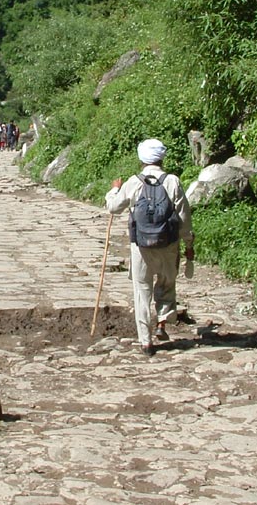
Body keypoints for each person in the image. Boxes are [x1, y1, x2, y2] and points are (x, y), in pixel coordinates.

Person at [105, 138, 194, 356]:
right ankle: (162, 322)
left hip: (141, 246)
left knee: (141, 290)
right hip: (168, 244)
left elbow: (113, 208)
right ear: (162, 157)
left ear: (141, 158)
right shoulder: (172, 181)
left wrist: (114, 191)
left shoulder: (133, 182)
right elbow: (184, 217)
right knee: (166, 283)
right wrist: (188, 243)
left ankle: (145, 341)